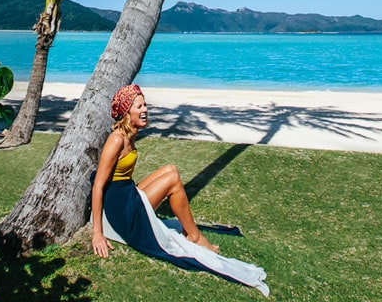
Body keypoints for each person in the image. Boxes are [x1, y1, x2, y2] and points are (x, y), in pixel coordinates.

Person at [90, 84, 269, 296]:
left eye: (145, 104)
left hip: (126, 193)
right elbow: (98, 185)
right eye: (139, 107)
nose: (145, 110)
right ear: (127, 112)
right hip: (121, 209)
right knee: (173, 180)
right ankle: (194, 236)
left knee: (170, 169)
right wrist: (97, 233)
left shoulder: (130, 134)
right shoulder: (117, 139)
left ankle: (191, 232)